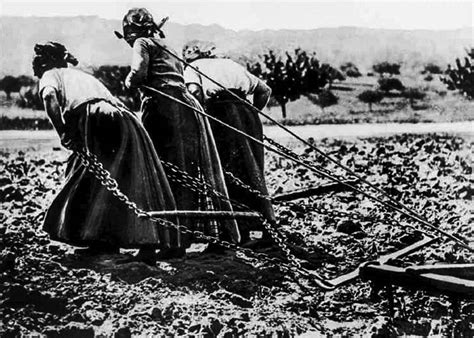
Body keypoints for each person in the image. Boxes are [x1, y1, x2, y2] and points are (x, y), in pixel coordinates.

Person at [34, 41, 181, 265]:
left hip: (95, 117)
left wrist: (62, 131)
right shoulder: (80, 76)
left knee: (89, 178)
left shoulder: (50, 75)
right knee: (127, 179)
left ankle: (98, 237)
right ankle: (125, 242)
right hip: (125, 118)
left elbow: (49, 98)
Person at [117, 8, 240, 253]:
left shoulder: (142, 43)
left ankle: (166, 240)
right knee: (186, 171)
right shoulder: (169, 44)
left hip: (162, 108)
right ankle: (182, 239)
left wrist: (129, 82)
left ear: (132, 31)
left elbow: (139, 73)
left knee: (160, 171)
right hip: (186, 108)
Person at [182, 41, 276, 246]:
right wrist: (250, 112)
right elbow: (264, 90)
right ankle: (267, 228)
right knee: (253, 171)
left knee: (226, 172)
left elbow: (195, 93)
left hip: (220, 115)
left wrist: (203, 118)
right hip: (248, 116)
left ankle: (235, 233)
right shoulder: (230, 64)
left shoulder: (192, 68)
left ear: (190, 55)